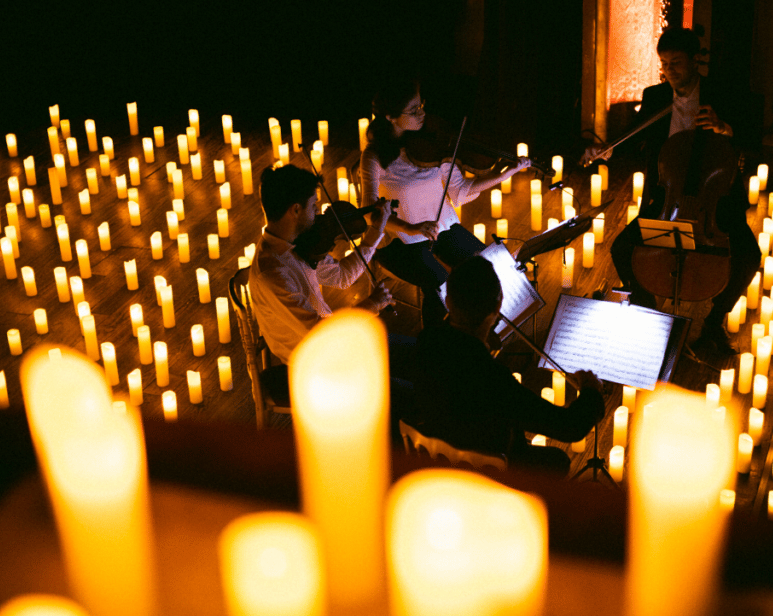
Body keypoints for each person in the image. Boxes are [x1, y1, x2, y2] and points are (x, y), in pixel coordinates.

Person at [583, 28, 761, 356]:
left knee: (749, 257)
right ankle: (651, 316)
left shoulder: (723, 92)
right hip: (669, 200)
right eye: (664, 64)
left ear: (696, 61)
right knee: (622, 249)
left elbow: (754, 135)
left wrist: (725, 127)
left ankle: (714, 320)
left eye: (676, 63)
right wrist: (605, 150)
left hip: (716, 203)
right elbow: (631, 138)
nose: (669, 71)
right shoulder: (656, 97)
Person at [412, 256, 608, 474]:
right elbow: (570, 428)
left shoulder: (427, 340)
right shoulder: (492, 379)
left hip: (437, 451)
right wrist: (591, 391)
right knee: (558, 460)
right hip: (484, 465)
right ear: (498, 305)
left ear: (448, 302)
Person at [360, 77, 531, 325]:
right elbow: (370, 214)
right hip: (398, 241)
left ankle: (486, 328)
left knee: (485, 265)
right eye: (413, 110)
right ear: (390, 117)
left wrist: (504, 174)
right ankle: (436, 342)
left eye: (422, 105)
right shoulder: (374, 157)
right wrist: (412, 228)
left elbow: (460, 192)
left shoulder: (433, 141)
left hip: (440, 228)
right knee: (439, 282)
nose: (422, 114)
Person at [249, 164, 394, 365]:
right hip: (315, 361)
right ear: (296, 210)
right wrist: (371, 304)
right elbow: (321, 332)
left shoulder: (301, 243)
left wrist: (376, 230)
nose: (318, 212)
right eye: (313, 205)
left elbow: (342, 276)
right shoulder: (273, 273)